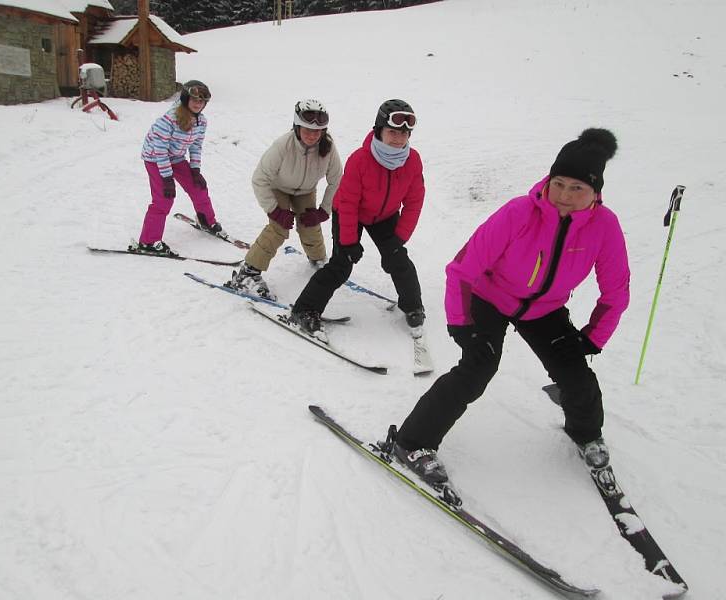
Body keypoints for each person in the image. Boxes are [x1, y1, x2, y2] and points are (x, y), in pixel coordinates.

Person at [393, 128, 629, 486]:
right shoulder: (519, 212)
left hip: (544, 310)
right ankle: (412, 441)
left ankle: (585, 433)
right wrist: (462, 323)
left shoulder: (605, 227)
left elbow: (616, 291)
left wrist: (594, 337)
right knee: (477, 368)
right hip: (491, 297)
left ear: (595, 193)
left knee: (577, 376)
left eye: (577, 188)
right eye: (559, 183)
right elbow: (461, 270)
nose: (564, 196)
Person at [289, 99, 426, 341]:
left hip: (385, 216)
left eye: (404, 133)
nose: (398, 138)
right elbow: (349, 203)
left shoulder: (412, 161)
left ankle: (413, 306)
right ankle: (304, 310)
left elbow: (414, 201)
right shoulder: (360, 160)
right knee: (341, 265)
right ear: (378, 130)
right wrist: (350, 242)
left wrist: (399, 238)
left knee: (398, 259)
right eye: (392, 132)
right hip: (349, 212)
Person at [226, 99, 342, 300]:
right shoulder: (283, 145)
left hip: (305, 190)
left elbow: (337, 181)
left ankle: (318, 260)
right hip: (279, 187)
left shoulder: (328, 148)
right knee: (278, 228)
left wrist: (324, 210)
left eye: (318, 131)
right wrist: (274, 210)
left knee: (309, 225)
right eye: (307, 129)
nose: (313, 135)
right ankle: (248, 272)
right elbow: (259, 179)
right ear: (297, 126)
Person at [135, 80, 223, 257]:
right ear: (185, 98)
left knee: (198, 187)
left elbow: (196, 146)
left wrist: (195, 170)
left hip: (176, 157)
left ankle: (207, 221)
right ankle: (148, 241)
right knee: (163, 199)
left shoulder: (201, 122)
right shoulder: (169, 120)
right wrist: (167, 179)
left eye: (202, 101)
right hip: (155, 158)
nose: (198, 104)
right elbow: (160, 150)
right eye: (194, 100)